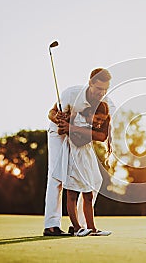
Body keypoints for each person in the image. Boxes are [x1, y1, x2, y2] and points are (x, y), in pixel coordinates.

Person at [43, 68, 115, 236]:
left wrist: (73, 128)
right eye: (98, 88)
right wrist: (58, 119)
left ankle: (82, 225)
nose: (101, 93)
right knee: (57, 175)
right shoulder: (71, 93)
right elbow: (51, 112)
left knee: (95, 180)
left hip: (82, 139)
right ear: (90, 83)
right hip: (58, 133)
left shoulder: (108, 104)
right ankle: (51, 225)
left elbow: (101, 135)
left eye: (105, 89)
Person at [60, 101, 112, 236]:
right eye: (98, 119)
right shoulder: (76, 118)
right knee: (72, 194)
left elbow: (91, 138)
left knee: (88, 195)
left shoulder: (88, 125)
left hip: (86, 159)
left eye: (102, 120)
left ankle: (91, 228)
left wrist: (74, 129)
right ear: (90, 113)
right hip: (74, 159)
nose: (99, 123)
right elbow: (77, 141)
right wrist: (71, 127)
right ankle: (76, 227)